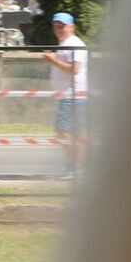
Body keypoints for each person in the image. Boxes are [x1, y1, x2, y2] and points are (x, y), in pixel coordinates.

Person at [40, 11, 88, 177]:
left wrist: (52, 60)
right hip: (68, 95)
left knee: (63, 130)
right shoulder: (66, 43)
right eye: (56, 26)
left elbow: (75, 70)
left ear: (72, 27)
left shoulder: (75, 44)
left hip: (73, 95)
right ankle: (75, 165)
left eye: (62, 26)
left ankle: (77, 166)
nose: (59, 29)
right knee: (71, 132)